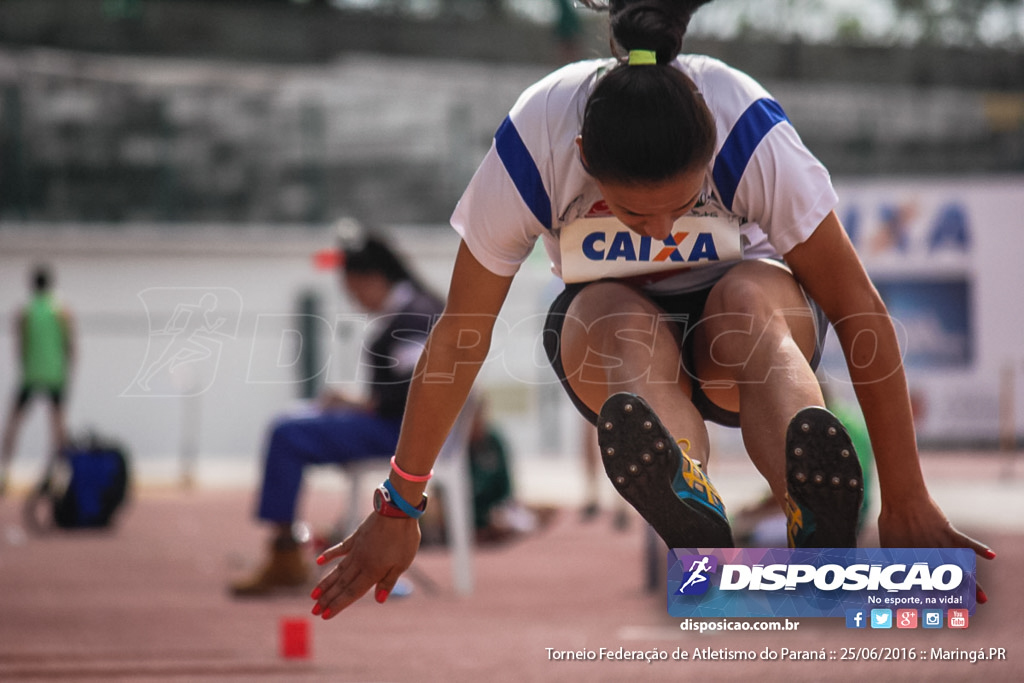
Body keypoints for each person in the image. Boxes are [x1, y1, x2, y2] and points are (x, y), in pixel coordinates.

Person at [309, 0, 994, 618]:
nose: (665, 232)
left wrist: (906, 494)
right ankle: (689, 489)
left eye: (685, 202)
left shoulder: (744, 126)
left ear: (710, 152)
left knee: (745, 302)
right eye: (635, 211)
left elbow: (855, 304)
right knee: (619, 320)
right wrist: (400, 502)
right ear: (583, 159)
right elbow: (460, 335)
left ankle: (810, 504)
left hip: (743, 322)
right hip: (609, 327)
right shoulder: (535, 144)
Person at [230, 232, 444, 596]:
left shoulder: (416, 316)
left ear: (374, 278)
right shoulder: (421, 308)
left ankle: (285, 554)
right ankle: (287, 549)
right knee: (296, 421)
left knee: (287, 432)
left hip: (401, 432)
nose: (354, 300)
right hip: (398, 425)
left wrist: (357, 403)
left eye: (353, 290)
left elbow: (416, 393)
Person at [1, 264, 75, 496]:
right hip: (55, 374)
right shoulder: (62, 310)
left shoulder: (25, 310)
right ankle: (61, 473)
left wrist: (24, 366)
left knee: (14, 423)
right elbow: (70, 346)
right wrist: (68, 373)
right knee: (58, 426)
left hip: (31, 374)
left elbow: (19, 346)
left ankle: (4, 470)